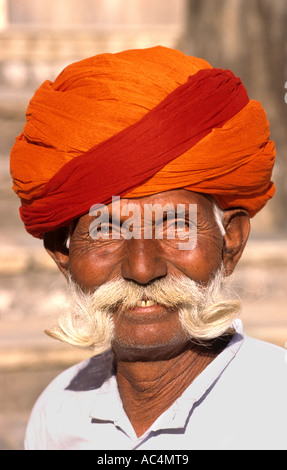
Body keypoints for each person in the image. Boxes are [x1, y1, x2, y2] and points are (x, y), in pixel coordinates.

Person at [10, 46, 287, 450]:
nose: (142, 268)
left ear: (231, 243)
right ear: (62, 254)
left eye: (176, 226)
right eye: (106, 231)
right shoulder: (57, 414)